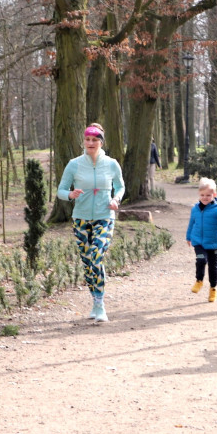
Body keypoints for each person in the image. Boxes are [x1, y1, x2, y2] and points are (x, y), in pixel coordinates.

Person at [57, 123, 126, 322]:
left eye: (94, 140)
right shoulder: (74, 164)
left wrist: (116, 199)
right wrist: (70, 194)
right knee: (88, 263)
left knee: (95, 256)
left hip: (105, 217)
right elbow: (60, 190)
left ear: (101, 142)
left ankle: (101, 305)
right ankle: (95, 302)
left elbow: (120, 187)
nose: (90, 143)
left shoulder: (111, 164)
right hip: (81, 218)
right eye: (87, 139)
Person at [186, 177, 217, 303]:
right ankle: (199, 280)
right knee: (201, 260)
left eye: (208, 195)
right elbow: (192, 223)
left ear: (214, 195)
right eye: (202, 195)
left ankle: (213, 288)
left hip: (213, 243)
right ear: (199, 194)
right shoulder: (195, 208)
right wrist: (189, 236)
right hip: (198, 242)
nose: (205, 197)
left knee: (213, 266)